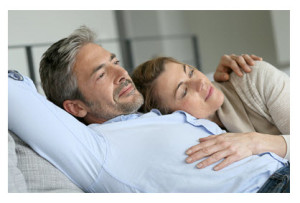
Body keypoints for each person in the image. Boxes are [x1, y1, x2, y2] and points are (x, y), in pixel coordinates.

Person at [8, 26, 289, 193]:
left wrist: (214, 78)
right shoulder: (95, 149)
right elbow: (12, 92)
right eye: (101, 74)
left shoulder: (151, 113)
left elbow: (185, 84)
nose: (121, 72)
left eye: (115, 61)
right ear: (75, 107)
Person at [131, 56, 290, 171]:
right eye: (184, 91)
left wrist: (253, 142)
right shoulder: (189, 145)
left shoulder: (253, 77)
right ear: (172, 117)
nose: (200, 83)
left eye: (191, 72)